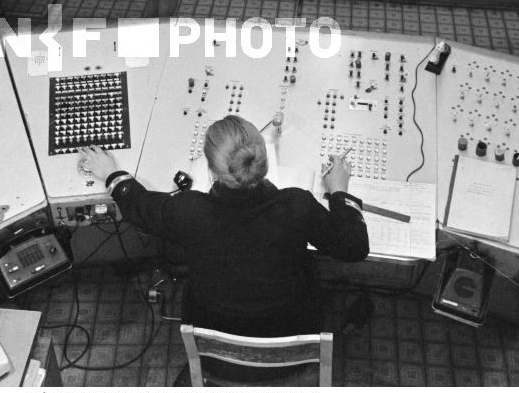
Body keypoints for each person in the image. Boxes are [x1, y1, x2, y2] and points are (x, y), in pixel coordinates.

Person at [79, 115, 369, 340]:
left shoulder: (189, 210)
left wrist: (111, 173)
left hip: (213, 325)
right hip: (290, 324)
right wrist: (340, 192)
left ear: (211, 170)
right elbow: (354, 247)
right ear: (263, 162)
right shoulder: (297, 205)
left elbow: (138, 206)